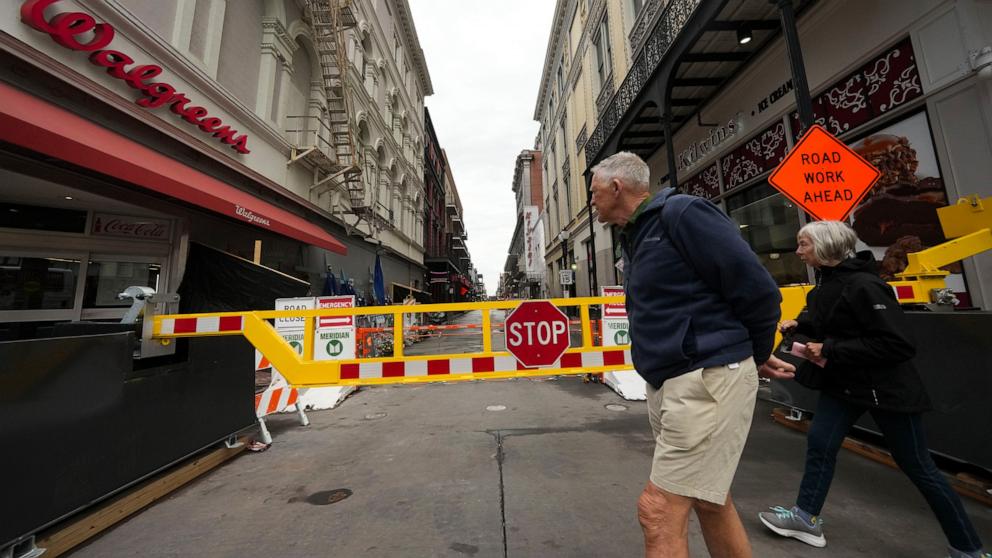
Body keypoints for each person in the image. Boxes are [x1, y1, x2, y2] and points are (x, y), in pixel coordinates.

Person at [589, 151, 795, 558]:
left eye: (594, 192)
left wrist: (753, 353)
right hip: (675, 380)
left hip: (704, 378)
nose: (592, 202)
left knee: (658, 510)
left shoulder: (681, 214)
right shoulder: (637, 233)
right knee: (708, 500)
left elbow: (758, 290)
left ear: (616, 188)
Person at [758, 220, 989, 558]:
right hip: (844, 387)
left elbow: (896, 344)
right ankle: (806, 518)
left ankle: (968, 548)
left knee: (919, 467)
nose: (798, 251)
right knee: (820, 446)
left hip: (886, 391)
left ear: (824, 247)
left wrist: (831, 349)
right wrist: (802, 324)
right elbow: (836, 322)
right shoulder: (824, 287)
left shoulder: (866, 286)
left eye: (803, 244)